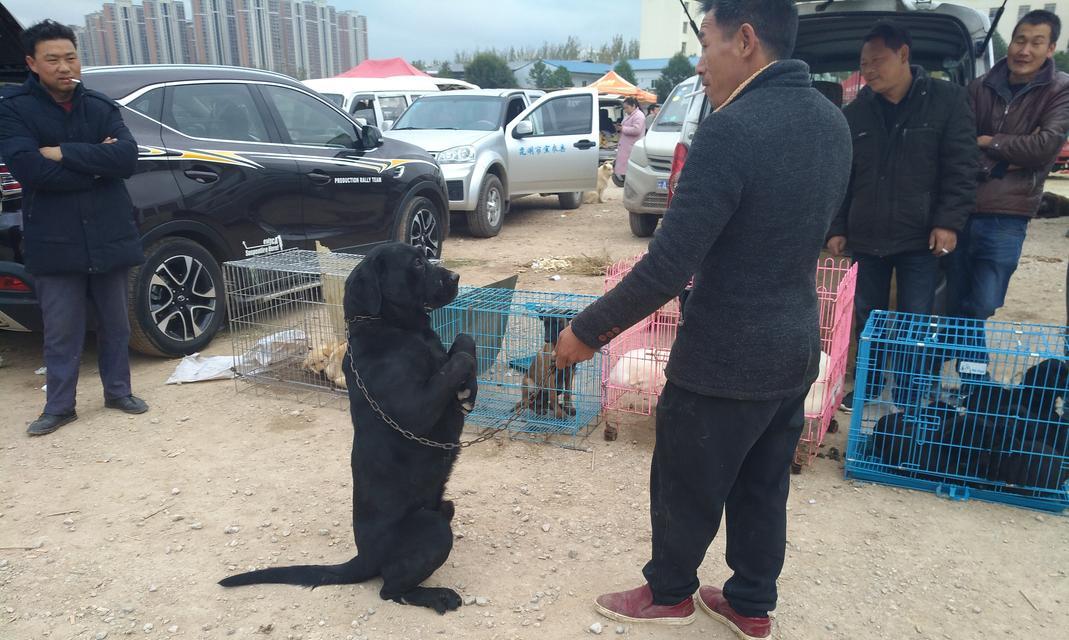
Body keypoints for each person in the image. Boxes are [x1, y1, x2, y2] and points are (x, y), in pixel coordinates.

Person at [554, 1, 851, 638]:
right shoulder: (833, 122)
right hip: (795, 344)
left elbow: (667, 267)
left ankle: (668, 592)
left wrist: (584, 333)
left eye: (706, 42)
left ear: (745, 41)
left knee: (686, 478)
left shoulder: (731, 129)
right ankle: (750, 602)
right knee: (764, 483)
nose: (699, 59)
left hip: (724, 354)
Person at [0, 20, 149, 436]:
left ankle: (118, 391)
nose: (65, 67)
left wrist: (62, 152)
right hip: (55, 237)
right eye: (53, 60)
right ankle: (59, 406)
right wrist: (95, 166)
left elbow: (127, 159)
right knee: (61, 330)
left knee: (116, 323)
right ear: (32, 63)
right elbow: (29, 169)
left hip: (108, 232)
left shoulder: (100, 105)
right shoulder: (13, 109)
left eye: (71, 57)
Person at [825, 21, 976, 410]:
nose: (868, 70)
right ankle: (868, 385)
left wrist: (948, 222)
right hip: (867, 234)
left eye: (876, 61)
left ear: (903, 55)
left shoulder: (946, 101)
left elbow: (960, 169)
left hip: (920, 236)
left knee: (915, 318)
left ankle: (910, 392)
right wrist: (838, 227)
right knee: (868, 318)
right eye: (864, 63)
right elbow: (843, 178)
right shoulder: (856, 113)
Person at [948, 10, 1069, 329]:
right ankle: (972, 371)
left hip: (1008, 211)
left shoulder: (1060, 90)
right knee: (956, 295)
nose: (1024, 50)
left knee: (985, 300)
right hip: (961, 206)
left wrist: (989, 140)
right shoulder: (978, 87)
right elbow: (958, 145)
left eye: (1035, 42)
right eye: (1019, 40)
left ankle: (968, 364)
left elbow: (1044, 148)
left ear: (1050, 48)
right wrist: (1006, 159)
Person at [613, 96, 645, 183]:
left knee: (630, 169)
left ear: (633, 106)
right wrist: (620, 128)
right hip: (626, 146)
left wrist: (622, 128)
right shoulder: (630, 115)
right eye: (624, 108)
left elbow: (636, 130)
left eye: (627, 108)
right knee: (625, 169)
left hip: (631, 147)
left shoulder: (639, 116)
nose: (625, 110)